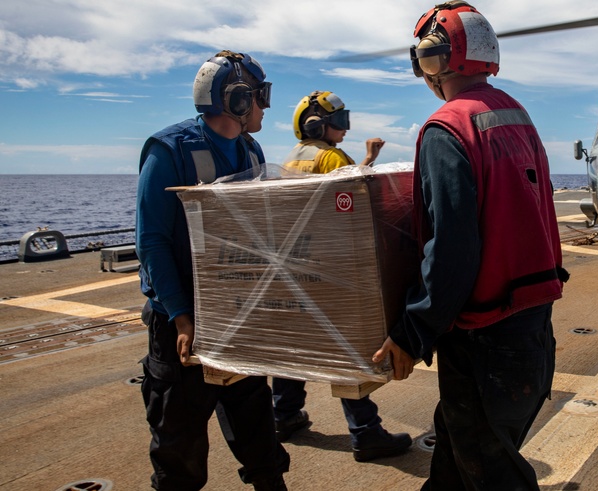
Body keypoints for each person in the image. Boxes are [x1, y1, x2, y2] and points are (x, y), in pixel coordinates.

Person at [374, 0, 568, 490]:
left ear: (435, 60)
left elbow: (452, 249)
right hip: (531, 326)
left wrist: (411, 333)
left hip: (484, 341)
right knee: (459, 455)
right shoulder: (515, 115)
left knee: (489, 471)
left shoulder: (446, 128)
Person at [136, 51, 289, 490]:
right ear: (239, 100)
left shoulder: (250, 149)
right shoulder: (168, 151)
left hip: (238, 316)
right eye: (261, 96)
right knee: (179, 449)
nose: (265, 106)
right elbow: (152, 242)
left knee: (259, 432)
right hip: (182, 325)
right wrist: (181, 315)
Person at [271, 90, 412, 461]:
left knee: (296, 343)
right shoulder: (330, 155)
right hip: (331, 265)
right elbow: (351, 197)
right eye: (340, 122)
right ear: (317, 123)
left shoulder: (294, 157)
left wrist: (366, 158)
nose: (345, 129)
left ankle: (283, 415)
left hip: (296, 263)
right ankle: (366, 433)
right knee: (347, 349)